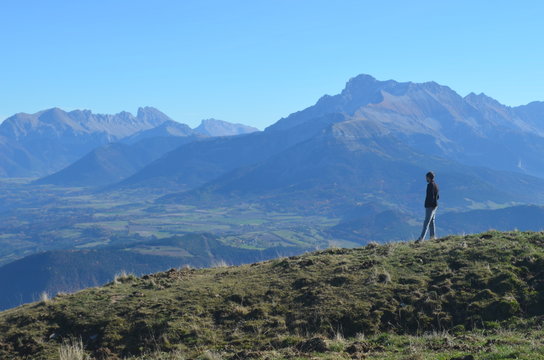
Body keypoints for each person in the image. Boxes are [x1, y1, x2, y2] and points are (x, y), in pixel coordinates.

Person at [416, 171, 439, 242]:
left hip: (430, 206)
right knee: (432, 222)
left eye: (426, 177)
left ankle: (421, 239)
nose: (426, 179)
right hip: (435, 205)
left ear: (428, 177)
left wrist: (428, 205)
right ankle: (433, 237)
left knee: (426, 223)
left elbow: (430, 196)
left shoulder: (430, 185)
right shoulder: (436, 185)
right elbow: (437, 196)